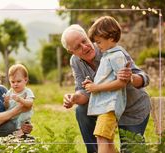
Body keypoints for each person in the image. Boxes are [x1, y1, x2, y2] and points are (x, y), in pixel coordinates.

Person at [61, 24, 151, 153]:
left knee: (132, 150)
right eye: (77, 47)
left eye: (84, 41)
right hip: (107, 108)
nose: (85, 47)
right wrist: (74, 98)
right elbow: (84, 92)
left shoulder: (110, 48)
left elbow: (144, 78)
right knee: (81, 111)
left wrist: (131, 77)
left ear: (87, 36)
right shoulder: (75, 61)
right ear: (71, 51)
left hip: (131, 108)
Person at [84, 16, 128, 153]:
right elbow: (107, 79)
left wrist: (96, 88)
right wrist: (92, 84)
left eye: (99, 42)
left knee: (102, 137)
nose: (97, 45)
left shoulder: (117, 56)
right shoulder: (107, 55)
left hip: (110, 106)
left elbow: (122, 82)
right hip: (104, 106)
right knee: (105, 139)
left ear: (111, 37)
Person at [4, 64, 35, 137]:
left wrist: (20, 100)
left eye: (18, 81)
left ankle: (21, 133)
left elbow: (30, 103)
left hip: (23, 118)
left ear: (25, 80)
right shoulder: (10, 92)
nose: (15, 84)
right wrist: (6, 102)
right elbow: (6, 107)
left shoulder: (27, 91)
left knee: (23, 121)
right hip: (12, 117)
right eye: (13, 82)